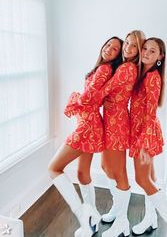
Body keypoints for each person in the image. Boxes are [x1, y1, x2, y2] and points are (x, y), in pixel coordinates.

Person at [48, 36, 123, 237]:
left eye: (115, 49)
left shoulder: (104, 69)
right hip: (89, 123)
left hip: (88, 126)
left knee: (53, 168)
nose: (109, 49)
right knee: (83, 173)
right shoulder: (104, 68)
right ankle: (93, 219)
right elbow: (94, 97)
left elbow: (89, 97)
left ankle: (83, 215)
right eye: (108, 45)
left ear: (117, 55)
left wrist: (76, 98)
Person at [88, 30, 146, 237]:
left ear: (139, 51)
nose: (128, 48)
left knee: (119, 172)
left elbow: (105, 90)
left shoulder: (128, 68)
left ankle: (122, 221)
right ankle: (117, 207)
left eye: (133, 46)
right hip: (110, 120)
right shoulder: (122, 66)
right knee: (105, 166)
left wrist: (85, 99)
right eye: (127, 43)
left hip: (118, 123)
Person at [129, 37, 167, 237]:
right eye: (145, 48)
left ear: (160, 56)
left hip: (145, 132)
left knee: (142, 179)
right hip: (139, 130)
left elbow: (150, 112)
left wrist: (144, 141)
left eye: (152, 51)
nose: (146, 52)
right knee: (150, 178)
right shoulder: (140, 73)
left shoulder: (153, 77)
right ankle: (150, 219)